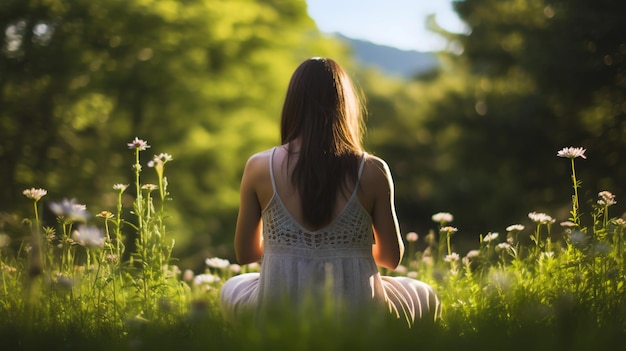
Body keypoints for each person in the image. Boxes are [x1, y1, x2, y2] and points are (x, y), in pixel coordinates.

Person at [219, 57, 440, 327]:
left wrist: (290, 246)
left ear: (293, 105)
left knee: (233, 286)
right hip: (357, 313)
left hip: (279, 311)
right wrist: (345, 247)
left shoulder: (258, 166)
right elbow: (391, 258)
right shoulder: (373, 170)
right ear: (345, 106)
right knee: (424, 294)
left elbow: (245, 254)